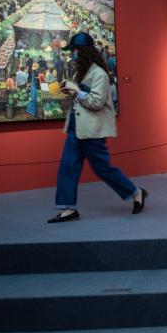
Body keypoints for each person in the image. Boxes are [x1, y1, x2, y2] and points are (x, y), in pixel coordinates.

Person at [48, 32, 147, 223]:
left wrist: (76, 91)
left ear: (84, 51)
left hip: (92, 130)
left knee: (103, 169)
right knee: (67, 167)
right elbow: (81, 97)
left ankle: (136, 193)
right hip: (75, 127)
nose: (72, 54)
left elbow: (96, 102)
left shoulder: (99, 74)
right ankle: (68, 209)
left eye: (75, 50)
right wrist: (71, 91)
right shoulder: (81, 71)